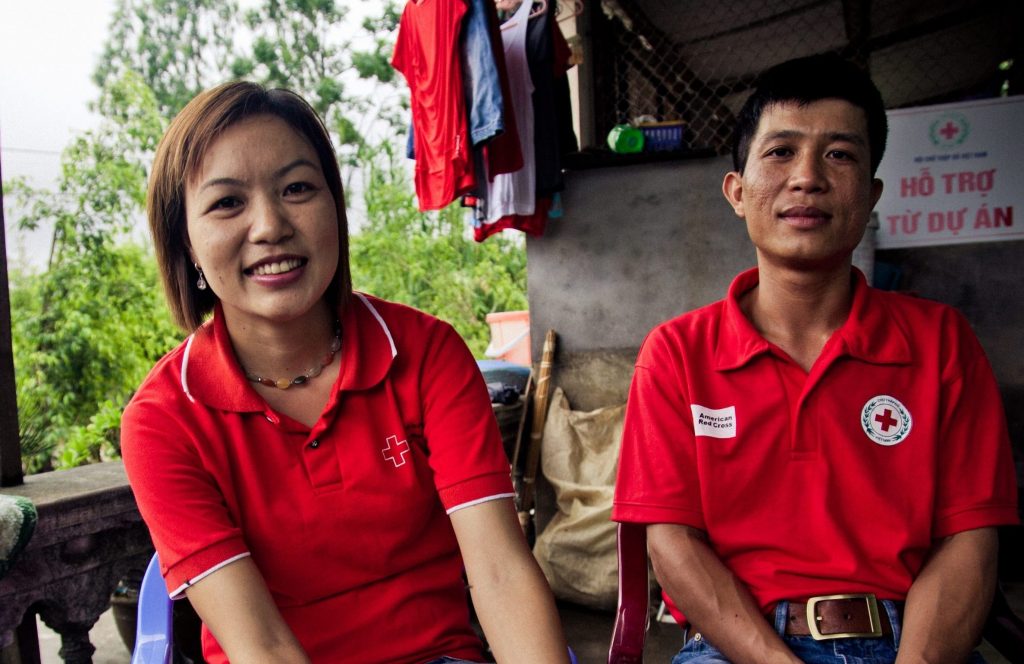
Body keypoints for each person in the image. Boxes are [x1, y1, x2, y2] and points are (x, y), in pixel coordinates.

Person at [121, 81, 569, 664]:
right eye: (228, 202)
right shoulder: (162, 422)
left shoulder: (426, 354)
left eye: (297, 188)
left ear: (334, 206)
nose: (270, 225)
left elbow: (501, 573)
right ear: (187, 241)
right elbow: (260, 645)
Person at [612, 54, 1019, 663]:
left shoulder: (941, 343)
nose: (808, 177)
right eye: (780, 152)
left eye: (840, 154)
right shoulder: (677, 354)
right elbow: (671, 544)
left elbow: (969, 541)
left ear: (871, 194)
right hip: (736, 649)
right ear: (737, 192)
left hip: (912, 640)